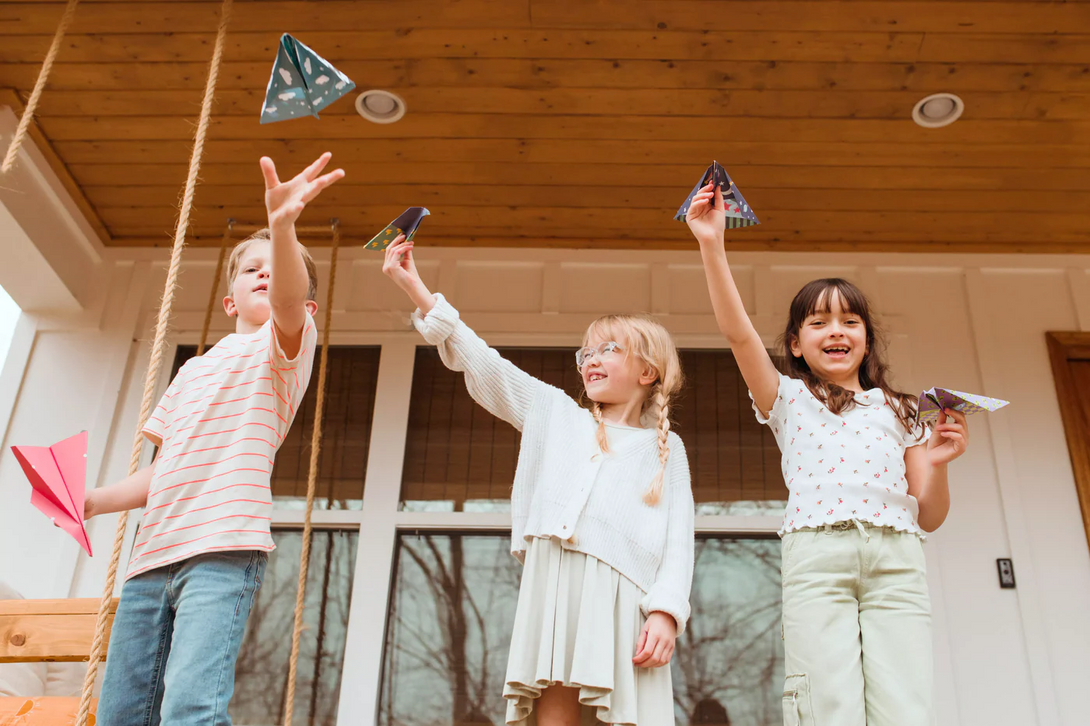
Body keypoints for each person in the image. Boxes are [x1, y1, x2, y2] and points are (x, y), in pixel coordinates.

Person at [686, 180, 969, 726]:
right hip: (818, 554)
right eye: (817, 322)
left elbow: (928, 516)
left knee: (904, 702)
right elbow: (738, 334)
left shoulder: (902, 409)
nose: (834, 330)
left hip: (897, 559)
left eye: (848, 321)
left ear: (866, 338)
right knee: (826, 702)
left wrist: (935, 466)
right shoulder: (787, 398)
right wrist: (711, 245)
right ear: (795, 344)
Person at [382, 234, 695, 726]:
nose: (589, 359)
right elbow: (484, 364)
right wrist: (417, 289)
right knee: (555, 717)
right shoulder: (556, 413)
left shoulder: (666, 448)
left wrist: (667, 611)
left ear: (648, 370)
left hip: (624, 600)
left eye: (607, 349)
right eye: (584, 352)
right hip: (557, 588)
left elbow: (678, 541)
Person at [86, 153, 343, 726]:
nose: (266, 273)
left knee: (189, 709)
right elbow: (167, 466)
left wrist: (282, 227)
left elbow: (284, 300)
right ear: (229, 301)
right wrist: (96, 501)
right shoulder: (192, 372)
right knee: (121, 713)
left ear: (306, 304)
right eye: (251, 268)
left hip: (222, 549)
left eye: (277, 268)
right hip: (151, 556)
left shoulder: (282, 349)